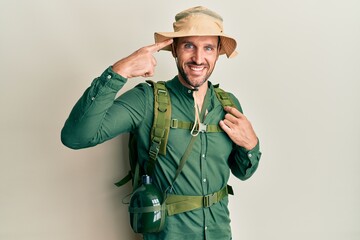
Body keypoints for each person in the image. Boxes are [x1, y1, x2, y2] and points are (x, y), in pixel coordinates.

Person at [61, 6, 261, 240]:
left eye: (208, 47)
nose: (198, 58)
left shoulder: (228, 103)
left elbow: (243, 172)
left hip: (220, 233)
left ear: (217, 52)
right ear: (174, 49)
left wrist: (251, 145)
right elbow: (76, 136)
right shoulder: (147, 100)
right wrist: (119, 72)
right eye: (189, 46)